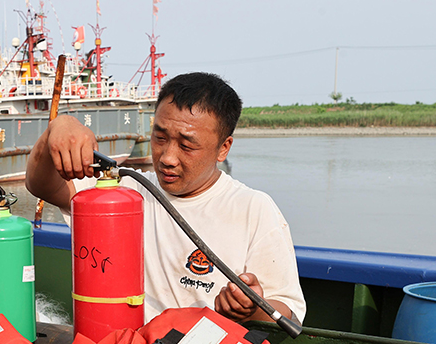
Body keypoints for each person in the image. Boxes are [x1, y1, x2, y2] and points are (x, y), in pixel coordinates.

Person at [25, 71, 306, 324]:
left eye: (187, 145)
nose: (167, 158)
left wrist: (250, 307)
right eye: (160, 138)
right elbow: (41, 185)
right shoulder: (124, 191)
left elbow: (288, 312)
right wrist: (57, 129)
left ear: (223, 148)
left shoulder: (253, 209)